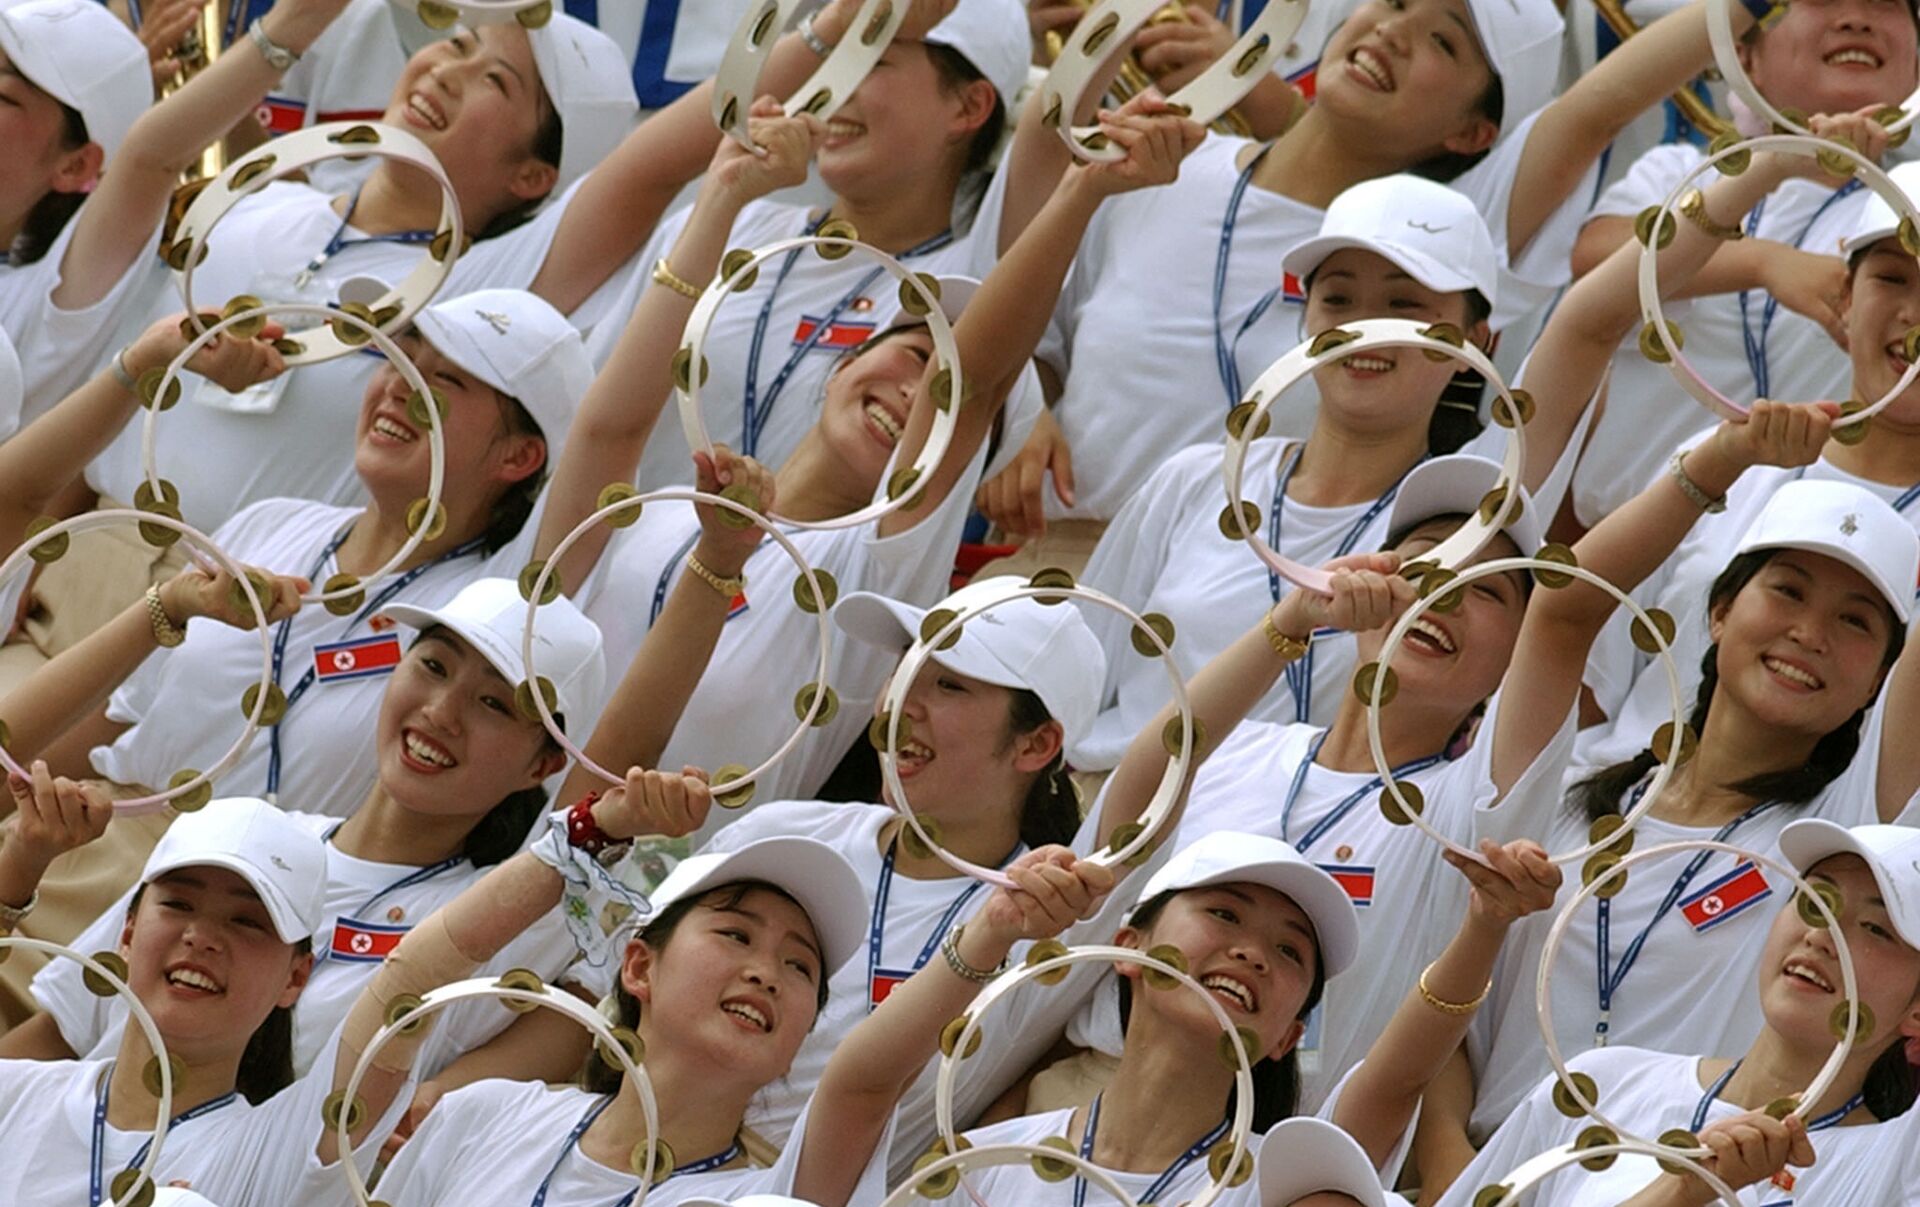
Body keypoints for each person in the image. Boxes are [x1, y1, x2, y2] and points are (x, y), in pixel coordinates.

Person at [975, 0, 1789, 576]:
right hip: (1058, 570)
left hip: (1270, 604)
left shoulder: (1454, 231)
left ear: (1472, 132)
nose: (1393, 31)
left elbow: (1602, 105)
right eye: (1393, 2)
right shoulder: (1160, 165)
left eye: (1443, 40)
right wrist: (1025, 410)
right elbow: (1025, 331)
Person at [1450, 413, 1920, 1161]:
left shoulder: (1849, 833)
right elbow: (1563, 608)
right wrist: (1727, 453)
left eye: (1855, 621)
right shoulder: (1566, 792)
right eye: (1787, 591)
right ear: (1720, 611)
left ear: (1877, 684)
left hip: (1683, 1188)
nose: (1810, 633)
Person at [1056, 455, 1576, 1117]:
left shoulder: (1469, 806)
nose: (1443, 592)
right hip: (1093, 1095)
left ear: (1517, 654)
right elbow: (1127, 821)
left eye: (1485, 588)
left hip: (1283, 1143)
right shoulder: (1239, 746)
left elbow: (1569, 619)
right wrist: (1295, 617)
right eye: (1424, 560)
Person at [5, 574, 615, 1095]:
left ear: (543, 765)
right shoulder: (234, 831)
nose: (440, 712)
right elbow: (61, 1034)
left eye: (493, 704)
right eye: (432, 666)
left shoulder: (509, 921)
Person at [1069, 174, 1591, 770]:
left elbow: (1591, 325)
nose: (1363, 329)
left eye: (1404, 306)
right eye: (1338, 300)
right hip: (1122, 805)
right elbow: (1075, 671)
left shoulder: (1471, 513)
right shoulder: (1195, 480)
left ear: (1477, 342)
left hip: (1311, 823)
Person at [794, 828, 1561, 1204]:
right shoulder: (985, 1168)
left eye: (1290, 952)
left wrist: (1487, 924)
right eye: (1224, 912)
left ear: (1289, 1036)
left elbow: (1399, 1077)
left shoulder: (1286, 1181)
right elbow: (856, 1092)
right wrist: (993, 928)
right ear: (1128, 948)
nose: (1253, 952)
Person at [583, 0, 1032, 492]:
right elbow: (588, 411)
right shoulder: (729, 221)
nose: (834, 84)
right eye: (835, 58)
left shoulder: (970, 288)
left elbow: (1052, 142)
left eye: (871, 61)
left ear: (969, 107)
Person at [1581, 153, 1920, 769]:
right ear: (1845, 295)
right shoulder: (1728, 459)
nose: (1914, 316)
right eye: (1892, 278)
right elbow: (1587, 671)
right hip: (1618, 800)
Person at [362, 825, 898, 1205]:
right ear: (639, 967)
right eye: (737, 935)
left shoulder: (758, 1199)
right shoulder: (484, 1114)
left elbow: (870, 1083)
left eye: (800, 966)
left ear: (799, 1043)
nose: (767, 973)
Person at [1567, 0, 1920, 532]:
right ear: (1745, 57)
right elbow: (1596, 257)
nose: (1855, 18)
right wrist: (1763, 263)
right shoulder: (1684, 174)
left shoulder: (1908, 207)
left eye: (1884, 2)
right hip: (1621, 538)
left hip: (1814, 550)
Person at [1435, 820, 1920, 1206]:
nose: (1820, 936)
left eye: (1875, 928)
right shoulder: (1603, 1085)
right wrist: (1682, 1191)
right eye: (1815, 902)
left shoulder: (1896, 1168)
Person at [0, 793, 412, 1206]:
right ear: (127, 934)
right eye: (178, 904)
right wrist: (20, 864)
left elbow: (420, 970)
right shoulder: (14, 1092)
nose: (201, 937)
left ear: (296, 977)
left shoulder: (278, 1152)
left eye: (247, 922)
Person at [0, 0, 155, 414]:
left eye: (4, 96)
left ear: (75, 166)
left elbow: (154, 157)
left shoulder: (41, 304)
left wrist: (279, 38)